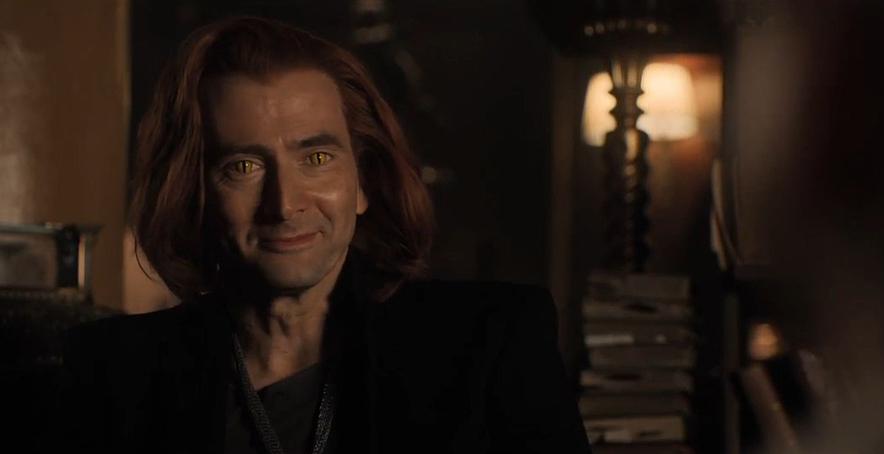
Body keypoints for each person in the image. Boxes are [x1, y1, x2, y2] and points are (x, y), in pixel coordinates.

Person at [56, 16, 590, 454]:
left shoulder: (491, 345)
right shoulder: (113, 374)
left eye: (316, 158)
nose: (284, 204)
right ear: (193, 194)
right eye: (243, 167)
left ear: (363, 183)